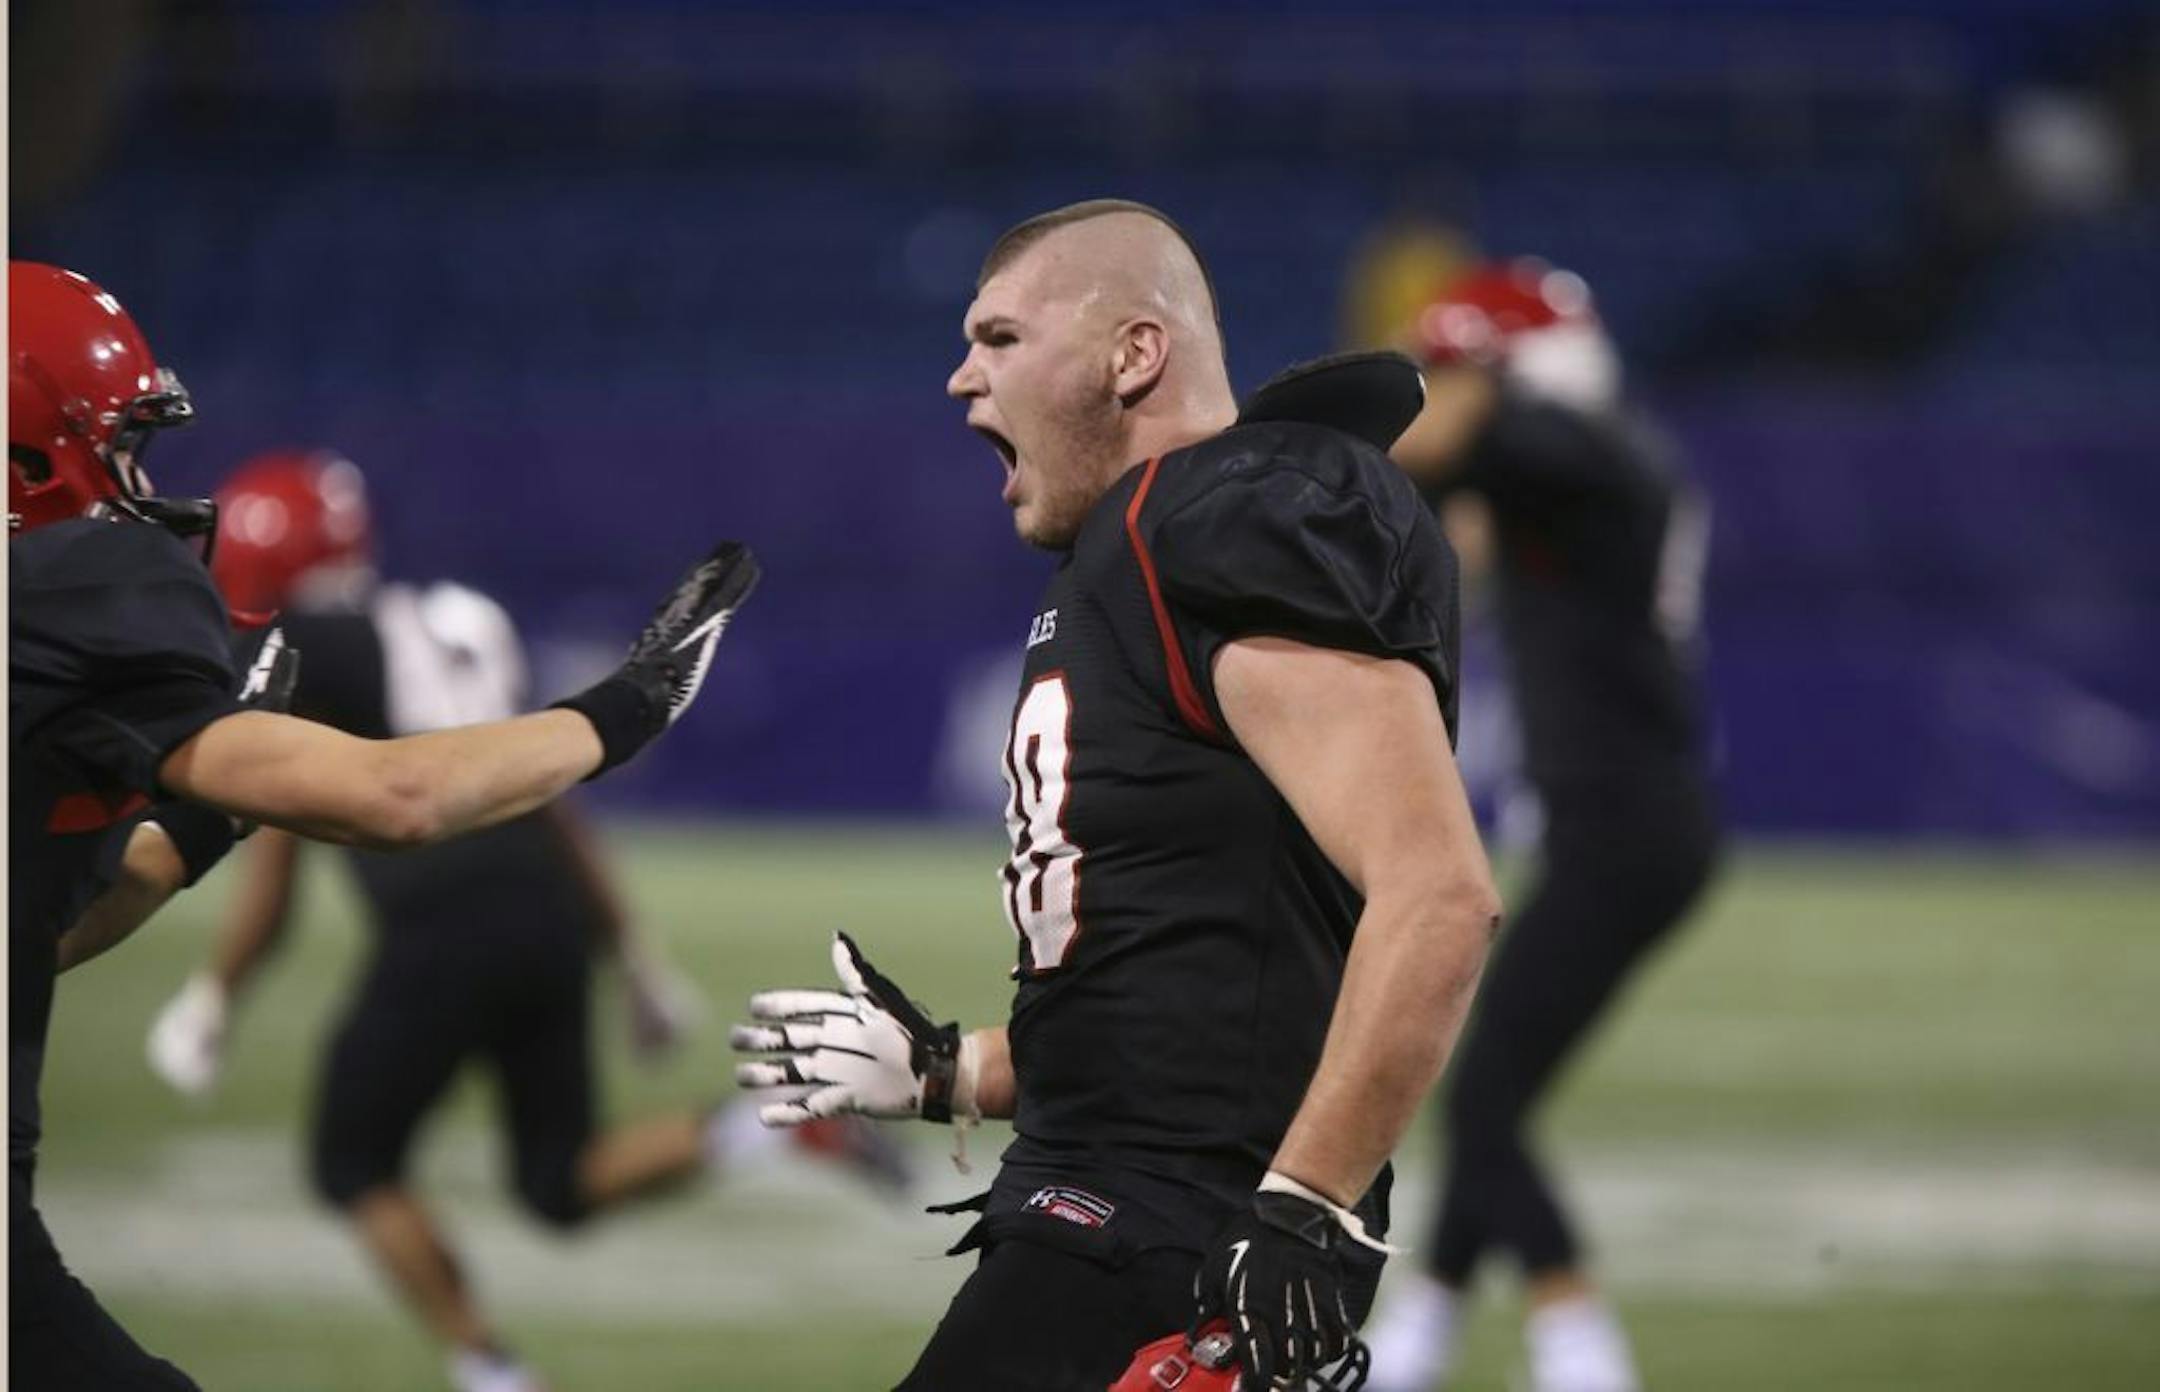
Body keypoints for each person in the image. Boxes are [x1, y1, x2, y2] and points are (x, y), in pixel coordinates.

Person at [730, 200, 1502, 1392]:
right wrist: (951, 1072)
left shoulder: (1224, 509)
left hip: (1172, 1247)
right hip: (1117, 1219)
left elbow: (1440, 894)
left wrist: (1301, 1211)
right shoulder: (1133, 556)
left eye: (998, 338)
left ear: (1133, 353)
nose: (958, 379)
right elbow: (1189, 994)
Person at [8, 261, 755, 1391]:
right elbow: (390, 798)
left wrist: (209, 832)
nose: (134, 478)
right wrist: (623, 710)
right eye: (116, 441)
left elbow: (63, 915)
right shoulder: (65, 589)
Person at [138, 450, 905, 1392]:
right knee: (559, 1180)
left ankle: (491, 1372)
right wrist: (632, 950)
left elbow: (275, 855)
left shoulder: (308, 648)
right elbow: (549, 795)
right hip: (543, 910)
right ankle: (770, 1129)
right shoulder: (458, 622)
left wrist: (215, 996)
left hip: (441, 921)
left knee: (352, 1162)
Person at [1357, 260, 1723, 1392]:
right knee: (1494, 1084)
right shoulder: (1600, 456)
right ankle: (1421, 1332)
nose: (1440, 387)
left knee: (1480, 1098)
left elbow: (1433, 441)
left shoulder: (1571, 448)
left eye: (1460, 368)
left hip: (1623, 831)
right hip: (1629, 821)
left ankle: (1578, 1343)